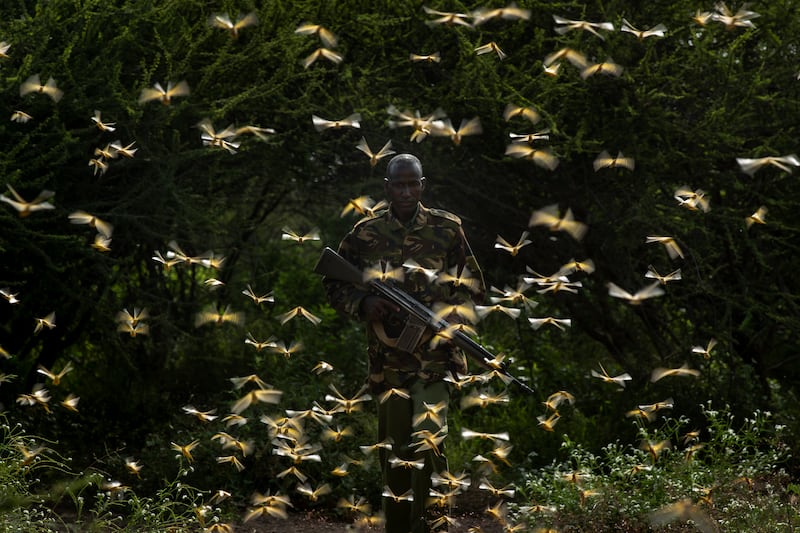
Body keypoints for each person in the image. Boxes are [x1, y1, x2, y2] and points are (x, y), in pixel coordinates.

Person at [324, 154, 484, 533]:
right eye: (399, 185)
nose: (407, 192)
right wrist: (363, 302)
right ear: (387, 187)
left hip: (437, 357)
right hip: (389, 361)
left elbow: (472, 284)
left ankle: (432, 527)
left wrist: (447, 313)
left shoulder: (447, 228)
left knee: (429, 441)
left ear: (423, 185)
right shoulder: (365, 232)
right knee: (394, 454)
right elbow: (334, 281)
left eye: (413, 184)